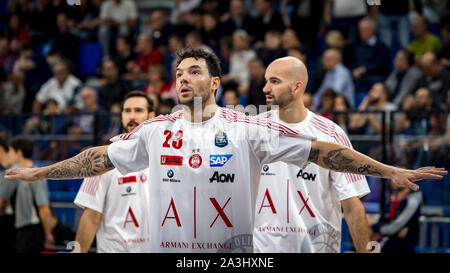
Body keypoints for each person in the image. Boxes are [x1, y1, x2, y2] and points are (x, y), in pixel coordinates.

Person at [4, 48, 447, 253]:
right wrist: (38, 173)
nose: (182, 78)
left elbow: (322, 152)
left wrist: (388, 170)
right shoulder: (155, 131)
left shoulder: (248, 128)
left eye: (194, 71)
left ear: (214, 83)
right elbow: (96, 159)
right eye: (178, 72)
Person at [254, 56, 371, 253]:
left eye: (274, 81)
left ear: (297, 87)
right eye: (266, 81)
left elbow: (352, 206)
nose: (265, 88)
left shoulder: (332, 134)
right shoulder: (252, 130)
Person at [74, 91, 155, 253]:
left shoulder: (165, 156)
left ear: (151, 116)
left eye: (138, 111)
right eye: (127, 111)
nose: (132, 116)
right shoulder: (103, 158)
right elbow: (91, 215)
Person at [2, 137, 53, 252]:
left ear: (19, 153)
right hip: (21, 229)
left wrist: (48, 235)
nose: (8, 154)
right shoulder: (18, 175)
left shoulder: (37, 176)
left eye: (10, 151)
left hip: (31, 231)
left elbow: (44, 208)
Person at [370, 180, 422, 253]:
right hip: (387, 246)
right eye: (392, 178)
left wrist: (373, 226)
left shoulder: (413, 199)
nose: (393, 181)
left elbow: (393, 228)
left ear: (409, 180)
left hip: (404, 247)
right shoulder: (391, 199)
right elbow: (382, 221)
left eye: (398, 177)